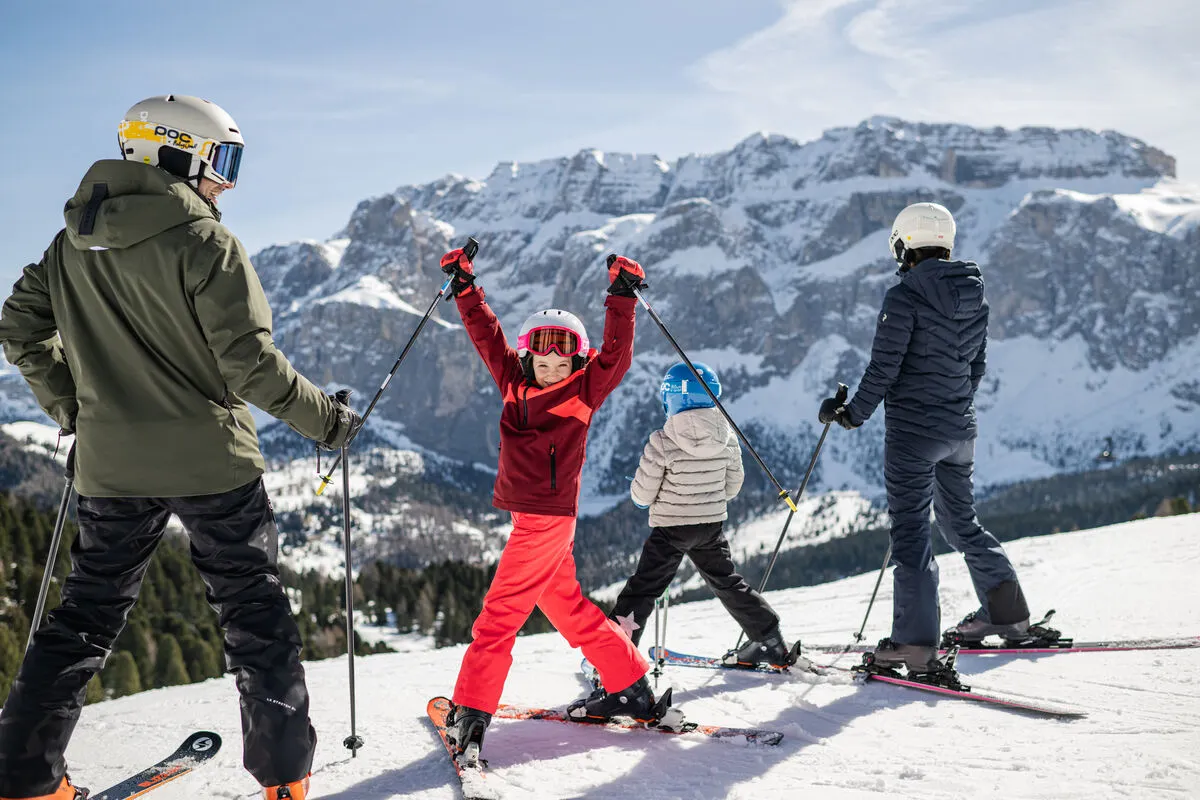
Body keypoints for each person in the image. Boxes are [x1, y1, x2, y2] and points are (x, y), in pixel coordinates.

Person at [0, 95, 359, 800]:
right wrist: (328, 422)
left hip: (111, 470)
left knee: (83, 617)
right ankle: (285, 780)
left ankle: (21, 779)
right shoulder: (206, 243)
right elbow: (249, 366)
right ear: (174, 152)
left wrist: (75, 409)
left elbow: (18, 330)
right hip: (212, 464)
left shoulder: (69, 243)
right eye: (222, 161)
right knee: (253, 613)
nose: (227, 181)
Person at [437, 246, 666, 756]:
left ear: (575, 357)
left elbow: (616, 356)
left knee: (496, 620)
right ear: (528, 352)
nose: (551, 360)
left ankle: (471, 714)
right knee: (567, 608)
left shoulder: (584, 391)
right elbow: (486, 338)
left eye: (563, 352)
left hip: (545, 523)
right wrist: (466, 289)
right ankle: (631, 685)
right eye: (542, 351)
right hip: (535, 518)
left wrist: (621, 298)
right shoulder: (513, 384)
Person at [818, 202, 1033, 674]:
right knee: (961, 522)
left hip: (915, 435)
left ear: (904, 244)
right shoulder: (975, 295)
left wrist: (851, 415)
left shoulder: (904, 298)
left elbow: (883, 370)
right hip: (960, 429)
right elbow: (976, 366)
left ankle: (913, 645)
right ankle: (1008, 614)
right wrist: (952, 406)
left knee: (912, 534)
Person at [607, 362, 798, 669]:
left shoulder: (662, 440)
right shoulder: (728, 437)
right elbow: (733, 487)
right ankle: (770, 640)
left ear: (669, 400)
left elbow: (642, 496)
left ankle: (613, 656)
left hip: (670, 530)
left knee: (643, 589)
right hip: (710, 527)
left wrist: (647, 498)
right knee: (727, 582)